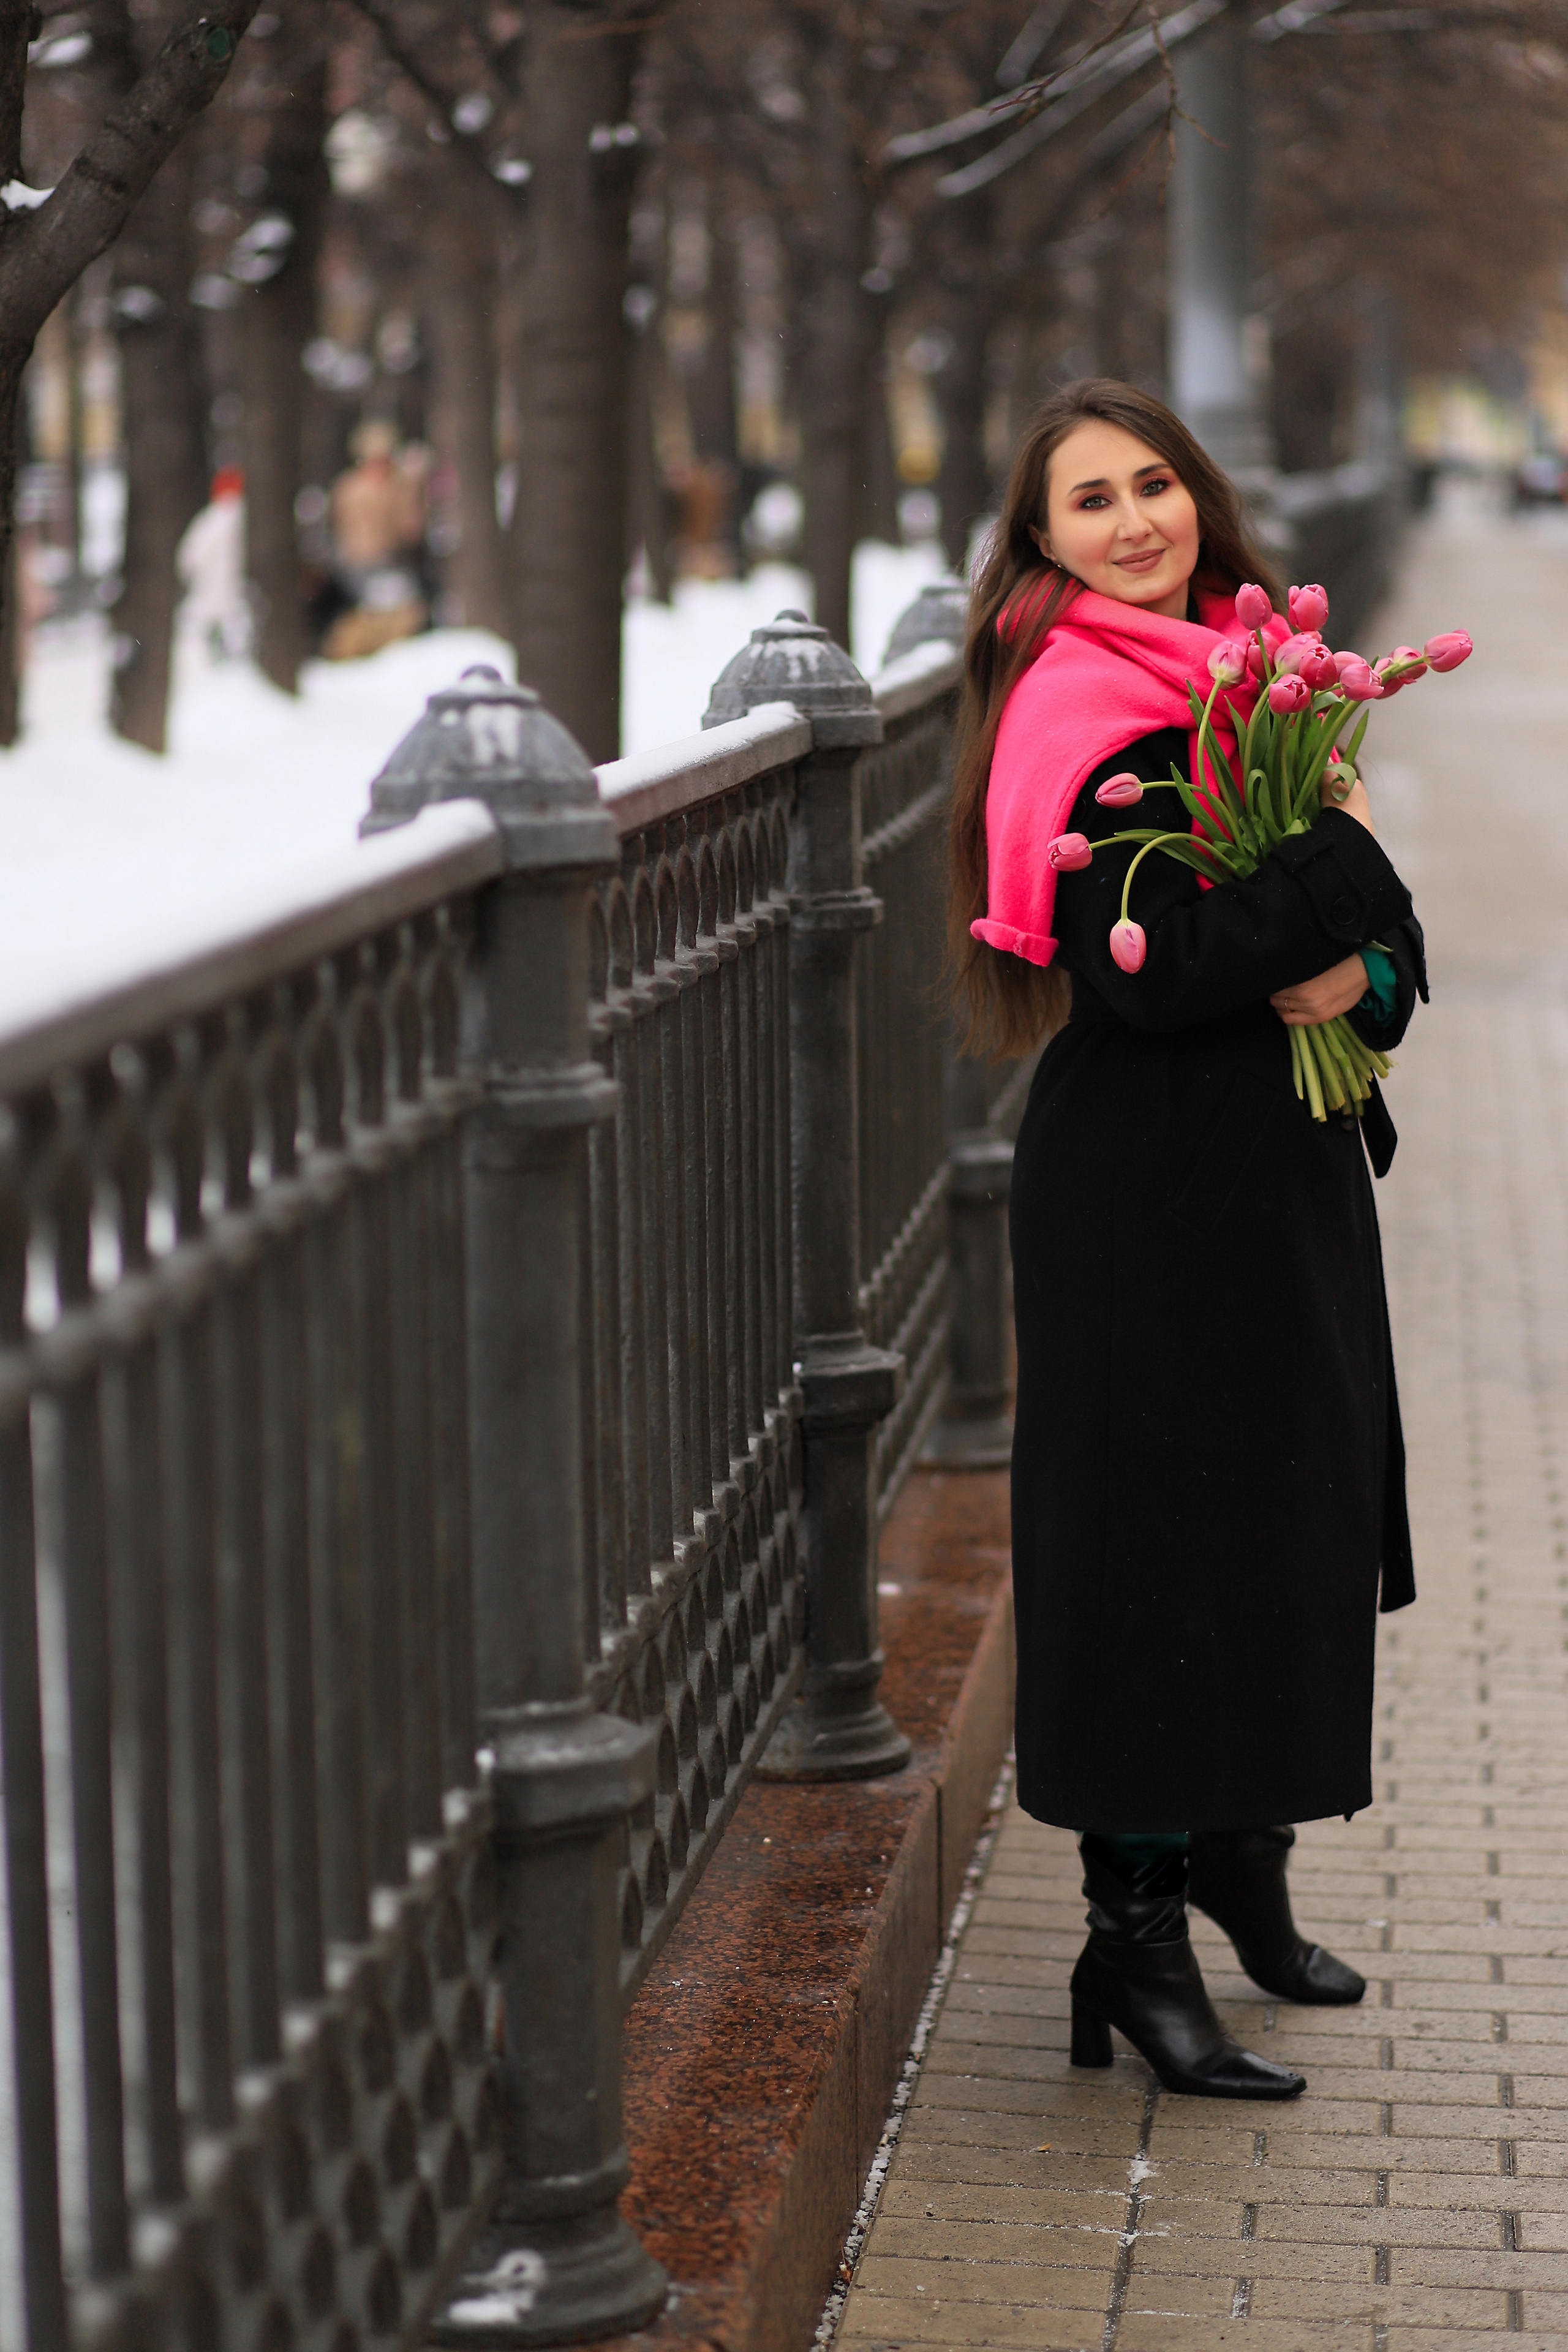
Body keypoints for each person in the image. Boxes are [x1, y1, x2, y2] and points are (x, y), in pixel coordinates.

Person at [949, 380, 1425, 2100]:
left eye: (1153, 484)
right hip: (1144, 1195)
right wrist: (1338, 873)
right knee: (1155, 1552)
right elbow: (1156, 969)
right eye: (1090, 500)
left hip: (1281, 1174)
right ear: (1042, 539)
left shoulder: (1243, 675)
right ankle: (1132, 1940)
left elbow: (1381, 942)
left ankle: (1244, 1863)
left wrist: (1362, 971)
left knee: (1282, 1524)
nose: (1134, 520)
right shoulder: (1074, 705)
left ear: (1200, 499)